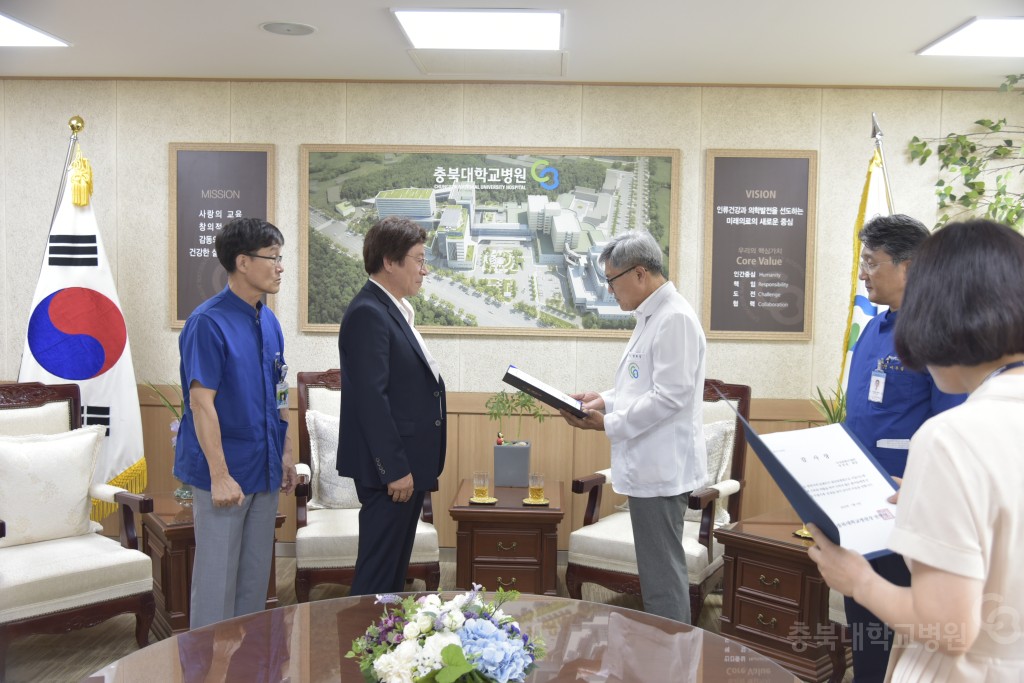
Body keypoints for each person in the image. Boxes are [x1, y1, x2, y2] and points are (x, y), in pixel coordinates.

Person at [809, 219, 1024, 681]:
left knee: (880, 641)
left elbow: (947, 627)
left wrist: (857, 581)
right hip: (888, 503)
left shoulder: (952, 436)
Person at [841, 214, 966, 681]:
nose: (863, 274)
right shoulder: (874, 329)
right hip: (859, 502)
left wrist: (920, 488)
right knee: (865, 627)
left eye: (872, 263)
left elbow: (952, 428)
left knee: (905, 639)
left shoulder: (941, 334)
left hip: (908, 508)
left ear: (909, 268)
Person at [559, 230, 706, 623]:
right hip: (648, 465)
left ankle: (673, 660)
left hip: (661, 470)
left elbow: (670, 396)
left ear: (639, 273)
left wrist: (607, 422)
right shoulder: (652, 316)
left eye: (611, 279)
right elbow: (640, 385)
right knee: (656, 574)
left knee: (662, 579)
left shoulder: (674, 318)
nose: (608, 290)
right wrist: (604, 399)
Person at [174, 217, 297, 629]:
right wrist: (221, 475)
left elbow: (280, 390)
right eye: (273, 258)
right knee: (216, 584)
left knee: (252, 583)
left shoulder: (271, 322)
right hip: (222, 475)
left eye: (282, 258)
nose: (280, 266)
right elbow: (200, 404)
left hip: (263, 467)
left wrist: (287, 452)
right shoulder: (207, 323)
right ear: (243, 262)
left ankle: (245, 668)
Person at [338, 216, 446, 595]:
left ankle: (381, 650)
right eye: (418, 259)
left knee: (392, 577)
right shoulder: (369, 312)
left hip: (406, 469)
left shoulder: (391, 309)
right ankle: (355, 651)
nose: (424, 270)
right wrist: (394, 469)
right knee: (376, 576)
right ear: (389, 260)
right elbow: (371, 399)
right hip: (392, 473)